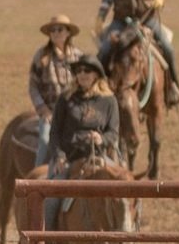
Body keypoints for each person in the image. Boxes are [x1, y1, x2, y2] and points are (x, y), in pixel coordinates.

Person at [43, 52, 125, 230]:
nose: (82, 74)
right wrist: (58, 155)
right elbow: (55, 132)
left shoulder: (109, 101)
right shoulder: (66, 99)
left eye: (87, 71)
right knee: (50, 200)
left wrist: (101, 139)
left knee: (126, 193)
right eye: (79, 71)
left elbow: (113, 134)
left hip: (99, 159)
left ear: (96, 74)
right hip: (69, 160)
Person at [98, 0, 179, 106]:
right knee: (104, 51)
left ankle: (173, 87)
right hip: (121, 20)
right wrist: (100, 17)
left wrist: (160, 0)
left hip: (147, 20)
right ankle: (98, 90)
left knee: (168, 48)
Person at [26, 15, 79, 165]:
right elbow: (33, 86)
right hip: (50, 112)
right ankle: (38, 177)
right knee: (44, 140)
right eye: (52, 30)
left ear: (68, 33)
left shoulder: (78, 56)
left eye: (60, 29)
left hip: (74, 112)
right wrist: (43, 109)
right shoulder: (41, 56)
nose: (55, 33)